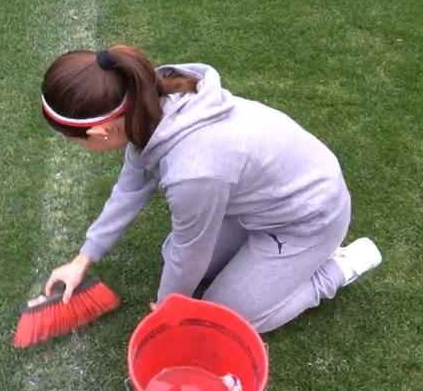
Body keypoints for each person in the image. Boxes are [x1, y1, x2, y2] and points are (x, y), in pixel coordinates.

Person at [40, 45, 382, 333]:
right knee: (170, 255)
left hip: (309, 221)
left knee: (218, 320)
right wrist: (83, 259)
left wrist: (169, 310)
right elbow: (131, 188)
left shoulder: (193, 171)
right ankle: (260, 259)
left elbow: (190, 253)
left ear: (101, 133)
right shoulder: (149, 103)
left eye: (73, 141)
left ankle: (334, 270)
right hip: (261, 206)